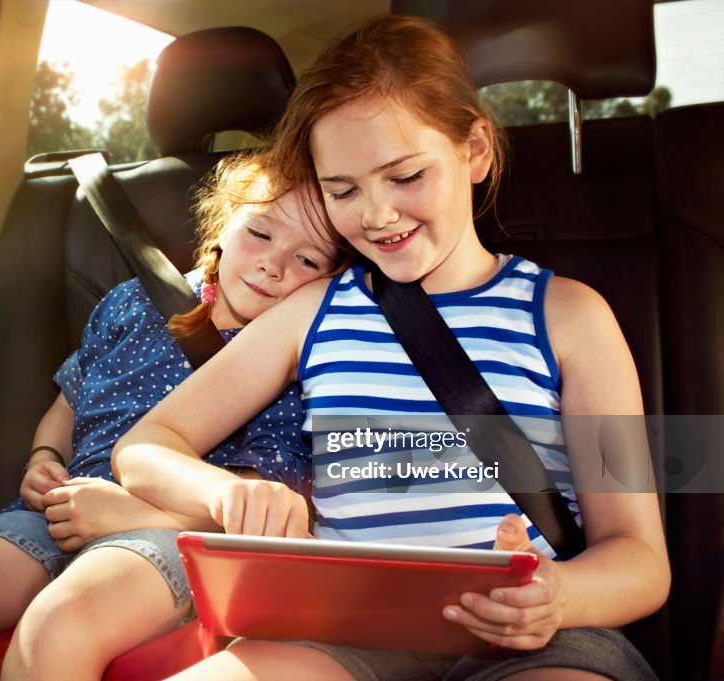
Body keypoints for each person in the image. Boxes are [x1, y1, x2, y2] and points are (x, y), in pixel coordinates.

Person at [112, 15, 669, 681]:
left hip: (541, 638)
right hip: (345, 633)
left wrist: (559, 596)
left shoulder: (571, 318)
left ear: (475, 151)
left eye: (405, 176)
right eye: (342, 190)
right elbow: (145, 446)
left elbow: (640, 556)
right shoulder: (313, 311)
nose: (375, 214)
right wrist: (223, 493)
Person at [0, 150, 349, 680]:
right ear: (225, 223)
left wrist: (138, 515)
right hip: (60, 511)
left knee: (60, 621)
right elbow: (67, 402)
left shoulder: (295, 359)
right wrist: (44, 458)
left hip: (177, 534)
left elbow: (262, 501)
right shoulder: (132, 302)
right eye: (261, 234)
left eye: (308, 260)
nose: (273, 264)